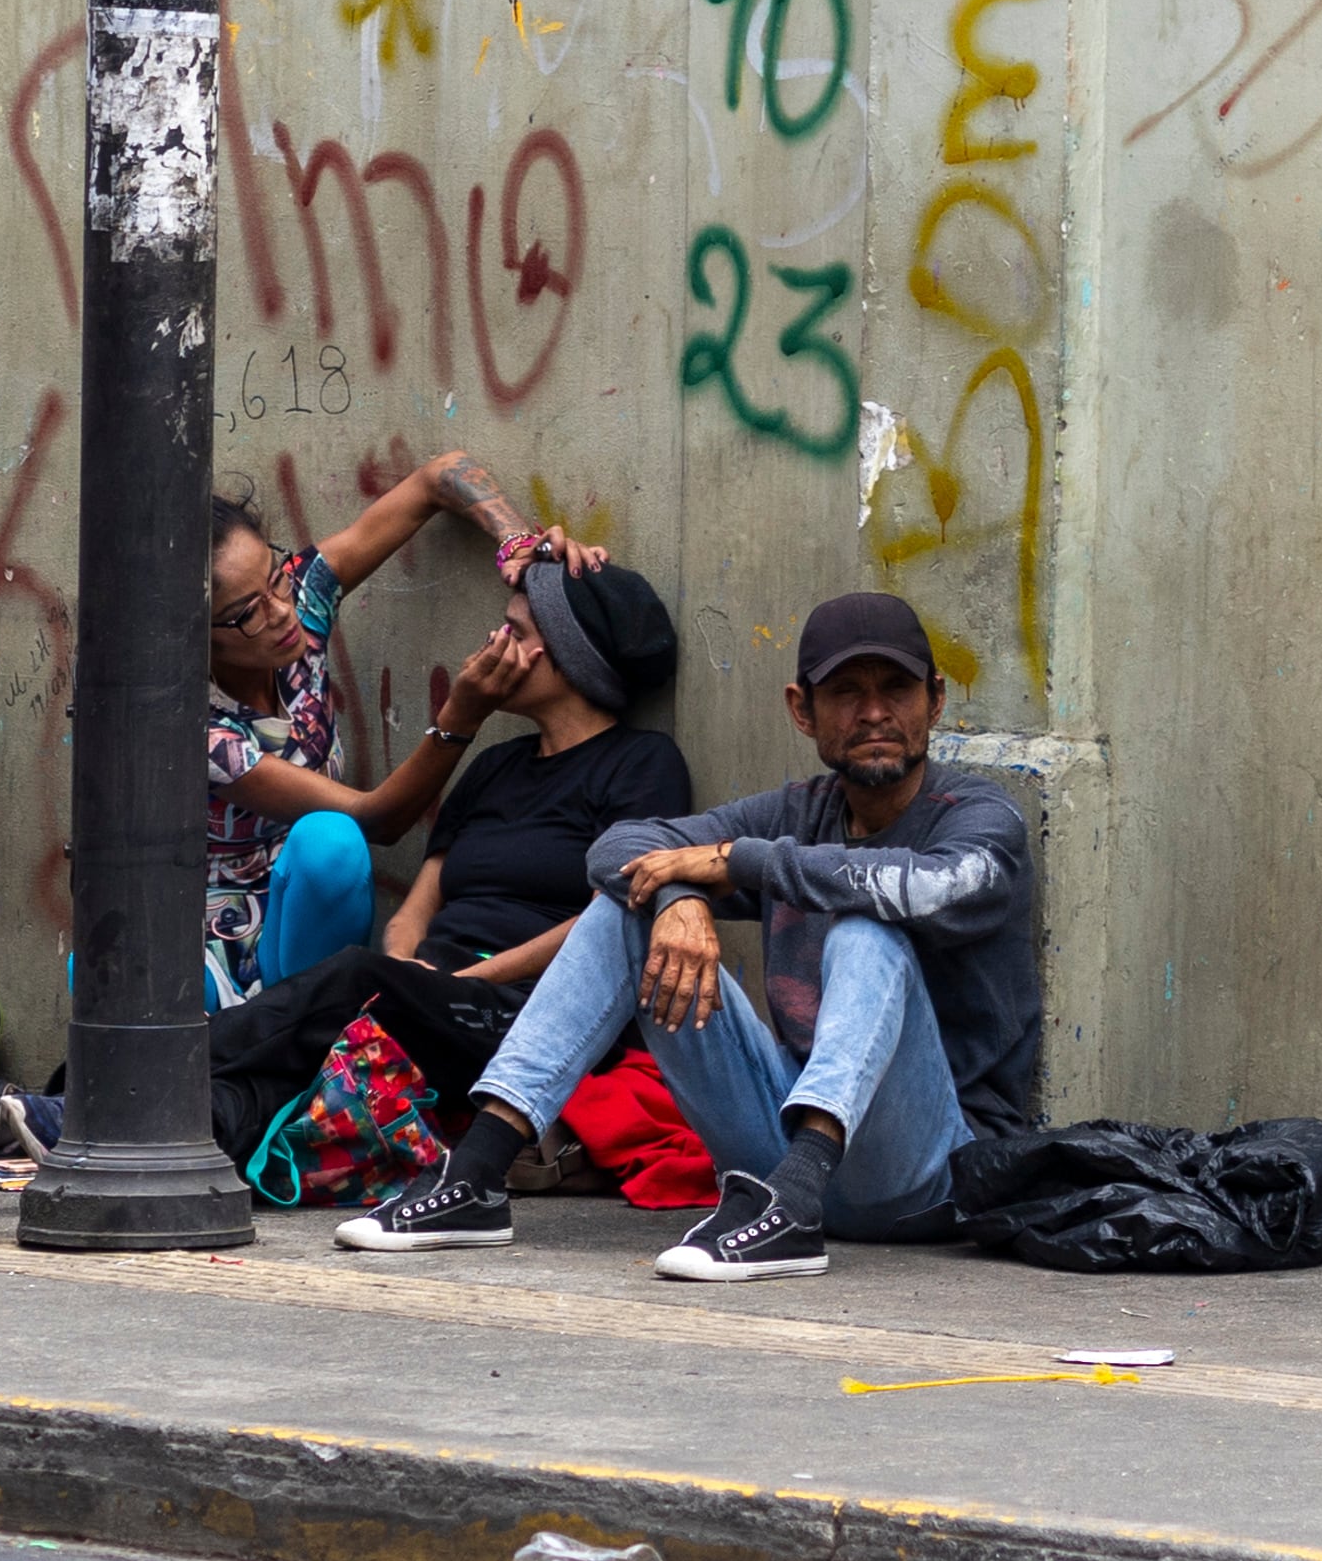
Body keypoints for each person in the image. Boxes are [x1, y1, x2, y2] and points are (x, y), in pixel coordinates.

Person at [334, 592, 1038, 1276]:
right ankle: (478, 1174)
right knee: (626, 905)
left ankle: (793, 1205)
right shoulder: (799, 809)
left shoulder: (980, 817)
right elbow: (617, 848)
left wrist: (738, 861)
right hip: (783, 1152)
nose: (876, 711)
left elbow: (930, 885)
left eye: (898, 688)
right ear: (803, 710)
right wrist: (678, 896)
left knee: (866, 928)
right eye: (847, 692)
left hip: (926, 1173)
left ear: (936, 701)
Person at [206, 553, 689, 1167]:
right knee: (283, 1075)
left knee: (354, 979)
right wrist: (407, 968)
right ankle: (113, 1128)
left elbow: (611, 920)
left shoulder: (643, 765)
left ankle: (122, 1080)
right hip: (428, 993)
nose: (494, 641)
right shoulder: (494, 767)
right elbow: (416, 908)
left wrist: (459, 983)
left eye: (515, 632)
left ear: (565, 657)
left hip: (520, 1006)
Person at [204, 453, 603, 1005]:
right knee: (333, 840)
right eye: (248, 612)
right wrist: (459, 717)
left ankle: (305, 1030)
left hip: (306, 928)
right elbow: (379, 819)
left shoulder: (301, 601)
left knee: (326, 851)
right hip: (217, 951)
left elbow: (439, 477)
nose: (280, 612)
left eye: (277, 579)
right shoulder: (199, 730)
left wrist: (520, 548)